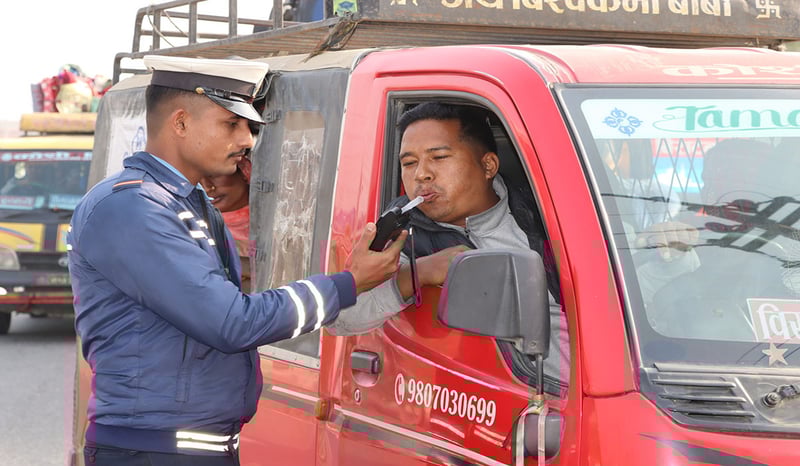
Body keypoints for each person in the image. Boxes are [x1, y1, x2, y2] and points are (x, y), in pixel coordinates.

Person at [67, 55, 405, 466]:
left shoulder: (187, 205)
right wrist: (348, 282)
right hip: (154, 451)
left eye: (248, 126)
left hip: (186, 447)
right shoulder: (133, 208)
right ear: (180, 123)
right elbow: (232, 322)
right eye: (232, 124)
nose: (248, 140)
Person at [326, 102, 569, 391]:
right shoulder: (403, 233)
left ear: (488, 165)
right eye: (409, 163)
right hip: (514, 397)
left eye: (438, 157)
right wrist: (421, 272)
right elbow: (339, 320)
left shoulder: (545, 213)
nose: (421, 175)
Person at [201, 156, 252, 292]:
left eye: (214, 174)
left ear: (244, 171)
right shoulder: (196, 234)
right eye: (196, 179)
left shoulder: (285, 220)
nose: (206, 187)